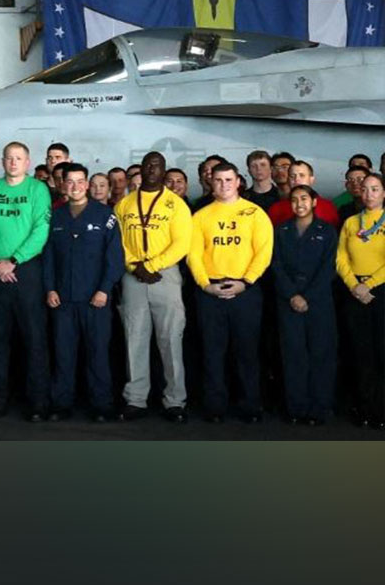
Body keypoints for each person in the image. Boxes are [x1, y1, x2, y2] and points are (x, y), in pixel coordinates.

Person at [189, 161, 274, 423]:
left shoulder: (255, 213)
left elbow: (264, 252)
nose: (224, 185)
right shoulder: (201, 216)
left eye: (229, 180)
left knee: (246, 352)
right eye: (218, 180)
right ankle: (215, 407)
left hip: (245, 291)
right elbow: (193, 255)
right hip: (210, 291)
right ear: (211, 183)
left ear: (238, 181)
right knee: (213, 353)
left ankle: (250, 406)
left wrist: (246, 282)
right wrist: (205, 284)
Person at [112, 152, 193, 423]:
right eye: (147, 165)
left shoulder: (176, 204)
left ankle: (175, 401)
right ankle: (135, 399)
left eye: (157, 166)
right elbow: (117, 242)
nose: (151, 170)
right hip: (133, 274)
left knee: (171, 339)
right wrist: (135, 266)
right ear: (141, 170)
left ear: (164, 170)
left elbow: (182, 243)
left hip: (164, 276)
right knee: (134, 338)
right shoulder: (124, 204)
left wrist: (154, 265)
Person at [43, 165, 123, 422]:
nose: (75, 186)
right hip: (63, 298)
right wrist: (50, 288)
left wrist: (104, 290)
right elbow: (48, 258)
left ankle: (101, 405)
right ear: (63, 185)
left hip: (95, 299)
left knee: (97, 353)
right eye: (70, 182)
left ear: (87, 185)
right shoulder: (56, 217)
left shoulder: (105, 215)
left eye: (80, 182)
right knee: (63, 353)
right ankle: (61, 403)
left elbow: (115, 258)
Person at [0, 141, 52, 421]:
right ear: (2, 161)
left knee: (34, 339)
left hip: (27, 271)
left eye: (18, 158)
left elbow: (41, 229)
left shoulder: (37, 189)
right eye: (9, 158)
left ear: (27, 161)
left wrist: (15, 259)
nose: (13, 163)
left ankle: (38, 402)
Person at [270, 184, 338, 425]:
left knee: (321, 355)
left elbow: (328, 268)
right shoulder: (281, 231)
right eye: (295, 200)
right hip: (288, 301)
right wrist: (292, 295)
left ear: (314, 202)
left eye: (304, 199)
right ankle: (296, 408)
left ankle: (319, 408)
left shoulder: (327, 231)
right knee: (293, 355)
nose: (299, 204)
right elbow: (275, 265)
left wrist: (307, 296)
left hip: (318, 302)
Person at [336, 172, 385, 429]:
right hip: (355, 291)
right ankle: (365, 408)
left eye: (375, 189)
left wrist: (370, 284)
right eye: (365, 189)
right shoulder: (351, 222)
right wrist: (355, 284)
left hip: (381, 291)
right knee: (360, 352)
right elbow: (341, 258)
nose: (369, 194)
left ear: (384, 193)